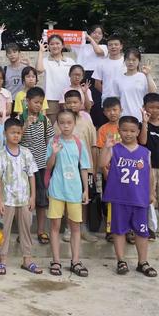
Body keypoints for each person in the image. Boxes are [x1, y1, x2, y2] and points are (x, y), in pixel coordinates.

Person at [101, 116, 157, 277]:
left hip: (139, 199)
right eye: (124, 130)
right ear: (119, 131)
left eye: (132, 131)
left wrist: (151, 193)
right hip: (119, 198)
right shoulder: (115, 149)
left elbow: (150, 175)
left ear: (138, 132)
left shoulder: (145, 152)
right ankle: (121, 260)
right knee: (118, 231)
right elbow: (101, 164)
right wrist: (106, 147)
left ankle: (143, 262)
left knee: (142, 232)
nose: (128, 134)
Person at [0, 118, 41, 275]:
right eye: (13, 132)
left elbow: (32, 176)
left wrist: (33, 197)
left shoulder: (26, 153)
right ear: (5, 133)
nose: (16, 136)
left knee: (26, 229)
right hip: (7, 200)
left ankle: (27, 259)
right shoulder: (0, 154)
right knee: (4, 231)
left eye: (19, 133)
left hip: (24, 199)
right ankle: (2, 260)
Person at [47, 109, 90, 278]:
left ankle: (75, 261)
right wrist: (54, 153)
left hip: (74, 191)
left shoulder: (79, 144)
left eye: (69, 122)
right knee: (55, 227)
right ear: (57, 124)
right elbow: (48, 166)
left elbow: (84, 168)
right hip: (57, 189)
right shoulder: (54, 141)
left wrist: (86, 189)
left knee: (75, 228)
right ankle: (56, 260)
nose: (66, 126)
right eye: (62, 123)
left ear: (74, 123)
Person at [61, 89, 98, 243]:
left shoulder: (87, 122)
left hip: (85, 168)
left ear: (81, 104)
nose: (72, 105)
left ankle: (82, 227)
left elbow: (94, 146)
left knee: (84, 197)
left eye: (75, 102)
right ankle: (69, 228)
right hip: (67, 169)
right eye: (68, 102)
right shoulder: (61, 122)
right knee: (67, 197)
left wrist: (94, 169)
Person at [19, 87, 55, 245]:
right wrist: (26, 124)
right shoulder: (20, 118)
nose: (38, 106)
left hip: (40, 166)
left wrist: (49, 162)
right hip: (23, 167)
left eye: (41, 103)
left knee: (41, 200)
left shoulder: (45, 120)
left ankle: (41, 231)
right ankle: (23, 231)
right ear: (27, 102)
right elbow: (16, 138)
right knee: (24, 201)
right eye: (35, 102)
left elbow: (50, 141)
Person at [96, 96, 122, 242]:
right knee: (109, 201)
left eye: (115, 109)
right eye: (109, 110)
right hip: (110, 171)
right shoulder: (103, 129)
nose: (112, 113)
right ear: (104, 113)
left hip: (125, 171)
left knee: (124, 200)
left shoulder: (126, 126)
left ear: (121, 110)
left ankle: (126, 228)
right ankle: (109, 229)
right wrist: (105, 171)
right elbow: (100, 151)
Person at [36, 34, 75, 124]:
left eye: (57, 43)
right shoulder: (45, 60)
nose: (55, 46)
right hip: (51, 99)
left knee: (67, 125)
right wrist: (41, 52)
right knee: (52, 127)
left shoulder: (70, 61)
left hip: (67, 99)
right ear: (48, 46)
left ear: (62, 45)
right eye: (52, 44)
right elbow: (38, 70)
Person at [74, 25, 108, 126]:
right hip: (83, 76)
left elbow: (98, 52)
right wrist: (47, 35)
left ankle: (98, 127)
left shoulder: (104, 47)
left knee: (97, 103)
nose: (97, 35)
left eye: (99, 33)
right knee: (84, 102)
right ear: (90, 33)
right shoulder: (81, 46)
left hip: (97, 78)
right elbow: (65, 42)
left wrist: (90, 39)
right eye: (94, 32)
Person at [113, 48, 157, 122]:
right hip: (124, 117)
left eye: (134, 60)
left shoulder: (143, 76)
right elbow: (116, 99)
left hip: (141, 117)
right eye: (128, 60)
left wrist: (148, 75)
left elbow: (153, 93)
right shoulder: (118, 79)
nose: (131, 62)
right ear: (124, 61)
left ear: (138, 61)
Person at [139, 93, 159, 240]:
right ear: (145, 108)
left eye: (158, 107)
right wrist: (144, 122)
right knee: (150, 197)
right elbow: (143, 141)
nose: (155, 110)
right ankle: (151, 228)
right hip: (150, 167)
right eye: (151, 107)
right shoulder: (142, 125)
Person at [92, 34, 125, 110]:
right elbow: (97, 84)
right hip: (107, 100)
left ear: (121, 46)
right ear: (107, 47)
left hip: (124, 100)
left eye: (116, 44)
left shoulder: (126, 63)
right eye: (110, 45)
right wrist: (107, 92)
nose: (113, 47)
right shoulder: (101, 63)